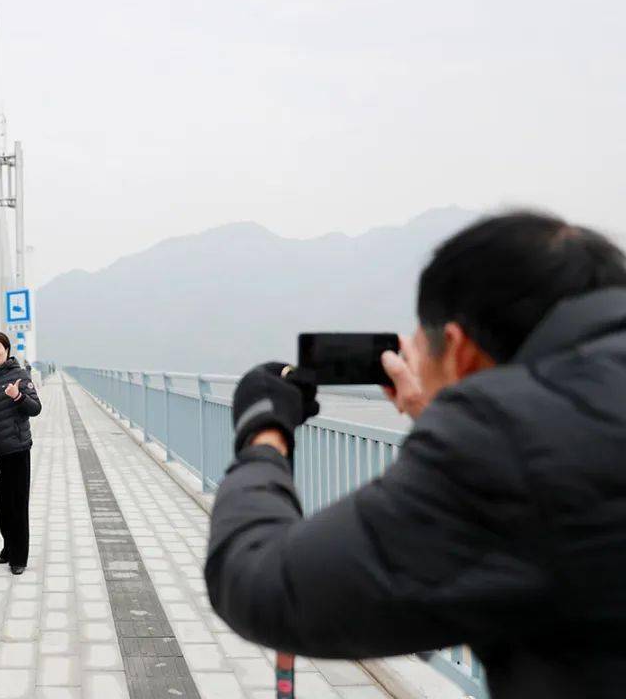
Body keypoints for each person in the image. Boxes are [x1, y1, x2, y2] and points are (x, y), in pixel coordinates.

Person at [205, 211, 626, 699]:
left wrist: (264, 429)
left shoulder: (500, 445)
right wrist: (439, 412)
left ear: (458, 348)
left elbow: (261, 584)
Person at [0, 331, 42, 575]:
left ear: (6, 349)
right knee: (3, 503)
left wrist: (17, 395)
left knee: (18, 504)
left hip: (16, 448)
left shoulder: (20, 375)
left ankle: (19, 557)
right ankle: (8, 548)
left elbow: (35, 408)